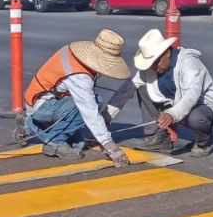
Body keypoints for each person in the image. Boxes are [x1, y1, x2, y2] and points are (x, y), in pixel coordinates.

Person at [15, 28, 132, 167]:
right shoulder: (80, 76)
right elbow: (89, 111)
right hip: (43, 105)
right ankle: (54, 142)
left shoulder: (72, 53)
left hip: (40, 98)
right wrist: (109, 144)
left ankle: (31, 125)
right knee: (94, 102)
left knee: (79, 142)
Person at [106, 29, 213, 157]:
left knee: (197, 119)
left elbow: (192, 94)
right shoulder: (150, 68)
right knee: (140, 86)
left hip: (200, 106)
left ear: (167, 52)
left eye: (156, 62)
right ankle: (158, 137)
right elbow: (126, 90)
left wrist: (172, 114)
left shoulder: (189, 63)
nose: (154, 67)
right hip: (171, 105)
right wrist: (105, 118)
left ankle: (205, 141)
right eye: (151, 63)